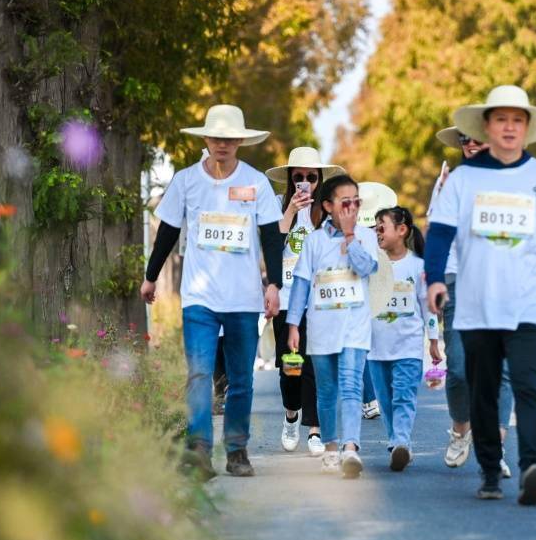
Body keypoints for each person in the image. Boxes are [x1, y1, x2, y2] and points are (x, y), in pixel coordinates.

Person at [425, 85, 536, 505]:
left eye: (517, 120)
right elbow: (439, 233)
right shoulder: (463, 180)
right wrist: (435, 280)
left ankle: (533, 466)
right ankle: (491, 472)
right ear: (487, 127)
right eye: (501, 120)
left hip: (530, 305)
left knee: (528, 386)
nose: (509, 127)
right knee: (483, 388)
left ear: (527, 128)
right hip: (477, 306)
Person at [141, 104, 284, 480]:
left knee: (241, 380)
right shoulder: (187, 181)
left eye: (229, 139)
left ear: (239, 142)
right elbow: (169, 230)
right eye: (216, 137)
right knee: (200, 376)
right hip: (200, 298)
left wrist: (274, 285)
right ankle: (199, 452)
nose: (222, 144)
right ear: (206, 139)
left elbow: (271, 235)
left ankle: (237, 451)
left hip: (242, 299)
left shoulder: (256, 183)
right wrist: (151, 276)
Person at [432, 128, 514, 478]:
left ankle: (494, 451)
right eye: (465, 140)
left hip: (501, 282)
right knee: (460, 369)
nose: (472, 144)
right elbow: (436, 233)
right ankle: (461, 429)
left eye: (478, 138)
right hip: (457, 282)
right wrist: (434, 280)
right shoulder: (450, 184)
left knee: (502, 371)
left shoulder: (512, 181)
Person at [286, 174, 379, 478]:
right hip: (322, 326)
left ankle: (351, 448)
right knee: (326, 391)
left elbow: (366, 268)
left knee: (352, 387)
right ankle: (330, 448)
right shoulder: (314, 241)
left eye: (356, 202)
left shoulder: (366, 235)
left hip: (355, 326)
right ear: (327, 206)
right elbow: (300, 284)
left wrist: (351, 237)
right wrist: (293, 325)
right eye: (344, 203)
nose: (351, 208)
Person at [265, 147, 345, 456]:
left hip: (320, 300)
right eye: (298, 177)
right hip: (286, 298)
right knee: (290, 366)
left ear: (320, 180)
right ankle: (291, 414)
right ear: (289, 179)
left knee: (316, 364)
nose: (305, 183)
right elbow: (270, 243)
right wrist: (290, 212)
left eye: (311, 177)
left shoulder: (327, 211)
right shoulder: (275, 206)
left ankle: (314, 427)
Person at [368, 206, 442, 471]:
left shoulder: (418, 266)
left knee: (403, 397)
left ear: (402, 230)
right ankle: (397, 443)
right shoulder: (371, 264)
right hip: (375, 349)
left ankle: (401, 441)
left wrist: (433, 340)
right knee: (385, 401)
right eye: (374, 227)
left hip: (408, 346)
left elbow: (428, 306)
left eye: (381, 227)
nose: (377, 232)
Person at [357, 182, 398, 421]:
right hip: (377, 284)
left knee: (367, 343)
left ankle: (371, 398)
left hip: (370, 284)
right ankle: (375, 397)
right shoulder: (382, 228)